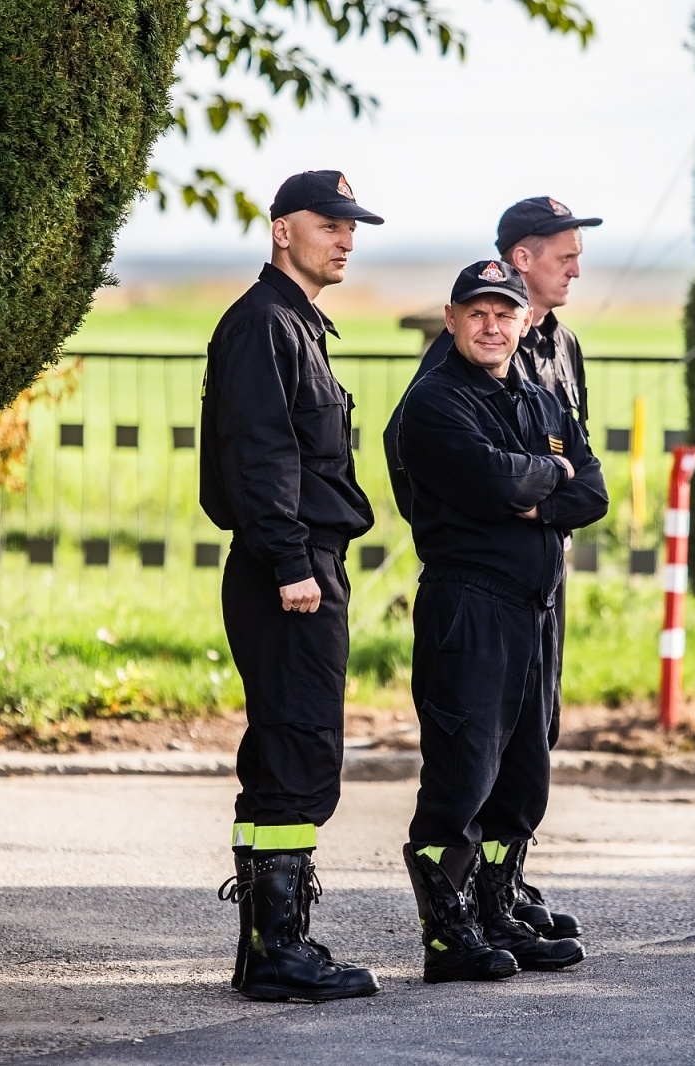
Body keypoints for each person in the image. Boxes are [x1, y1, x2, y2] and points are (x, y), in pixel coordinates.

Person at [382, 197, 601, 942]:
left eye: (503, 315)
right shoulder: (442, 384)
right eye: (563, 254)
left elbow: (589, 486)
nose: (576, 267)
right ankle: (453, 920)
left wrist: (536, 493)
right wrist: (496, 503)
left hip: (536, 591)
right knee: (468, 758)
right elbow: (470, 473)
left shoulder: (554, 354)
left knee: (528, 752)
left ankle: (500, 902)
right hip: (470, 593)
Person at [199, 169, 383, 1003]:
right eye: (330, 222)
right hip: (291, 571)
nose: (346, 236)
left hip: (302, 564)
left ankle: (271, 946)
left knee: (294, 746)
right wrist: (291, 564)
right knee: (294, 750)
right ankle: (278, 949)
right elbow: (260, 453)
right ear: (282, 231)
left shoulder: (296, 325)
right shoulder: (263, 325)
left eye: (353, 225)